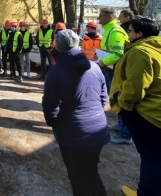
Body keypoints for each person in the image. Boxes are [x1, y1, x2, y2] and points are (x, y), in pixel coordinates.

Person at [110, 18, 161, 196]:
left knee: (151, 157)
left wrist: (123, 105)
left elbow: (135, 87)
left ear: (139, 34)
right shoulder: (158, 50)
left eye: (131, 31)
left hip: (147, 114)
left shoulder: (140, 52)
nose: (128, 34)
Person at [42, 29, 110, 196]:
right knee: (91, 171)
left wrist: (54, 122)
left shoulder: (56, 71)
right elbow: (103, 97)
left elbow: (50, 104)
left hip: (73, 133)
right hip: (98, 129)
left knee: (78, 176)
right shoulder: (94, 66)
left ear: (57, 45)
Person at [97, 7, 131, 144]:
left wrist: (102, 61)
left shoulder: (115, 31)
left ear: (109, 17)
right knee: (114, 99)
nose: (98, 18)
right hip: (110, 69)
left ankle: (125, 134)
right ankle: (121, 126)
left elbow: (118, 54)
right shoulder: (108, 30)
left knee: (119, 99)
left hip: (114, 70)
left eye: (100, 16)